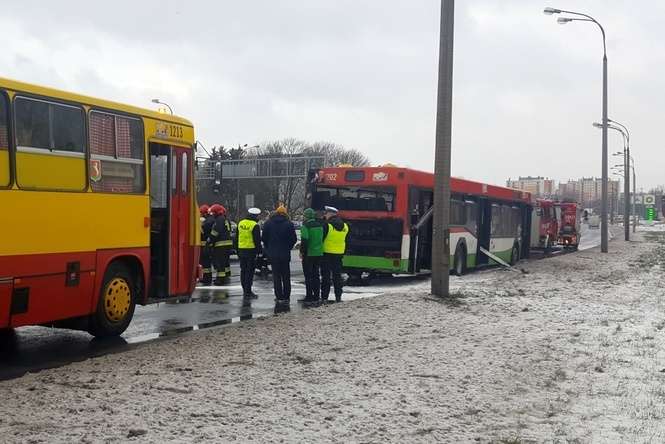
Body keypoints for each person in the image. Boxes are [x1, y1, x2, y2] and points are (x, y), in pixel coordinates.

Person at [262, 205, 297, 304]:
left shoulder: (268, 223)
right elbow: (293, 239)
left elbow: (264, 238)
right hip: (285, 253)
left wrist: (269, 248)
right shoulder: (289, 224)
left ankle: (279, 296)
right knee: (286, 276)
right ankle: (286, 296)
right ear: (285, 213)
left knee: (276, 276)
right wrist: (288, 247)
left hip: (273, 254)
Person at [321, 206, 349, 303]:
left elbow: (322, 239)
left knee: (326, 277)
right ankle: (338, 297)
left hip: (327, 253)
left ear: (329, 214)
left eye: (326, 213)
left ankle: (324, 297)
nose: (325, 215)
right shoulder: (345, 226)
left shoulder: (327, 225)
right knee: (337, 276)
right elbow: (346, 240)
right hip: (339, 254)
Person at [299, 208, 326, 305]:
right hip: (319, 253)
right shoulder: (320, 225)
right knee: (316, 274)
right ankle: (316, 295)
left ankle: (309, 296)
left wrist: (302, 252)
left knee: (308, 275)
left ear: (306, 216)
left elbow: (305, 240)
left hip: (309, 254)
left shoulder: (305, 226)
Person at [236, 208, 262, 298]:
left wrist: (237, 250)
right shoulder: (255, 225)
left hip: (241, 250)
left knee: (243, 271)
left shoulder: (241, 223)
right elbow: (257, 240)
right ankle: (248, 292)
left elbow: (236, 238)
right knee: (250, 272)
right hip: (251, 251)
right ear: (256, 216)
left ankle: (244, 290)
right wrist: (259, 252)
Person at [208, 204, 233, 285]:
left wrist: (210, 239)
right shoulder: (225, 219)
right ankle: (226, 275)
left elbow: (215, 232)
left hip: (220, 245)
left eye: (213, 213)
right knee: (225, 262)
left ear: (217, 212)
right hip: (227, 244)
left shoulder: (219, 220)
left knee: (220, 262)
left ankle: (220, 279)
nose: (212, 215)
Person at [199, 204, 214, 285]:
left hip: (205, 246)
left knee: (205, 263)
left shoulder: (207, 222)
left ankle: (206, 278)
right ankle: (206, 278)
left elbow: (203, 233)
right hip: (207, 245)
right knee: (206, 263)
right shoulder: (210, 220)